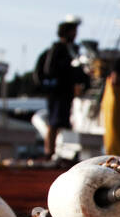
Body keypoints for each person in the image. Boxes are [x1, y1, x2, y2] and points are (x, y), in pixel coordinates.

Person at [38, 16, 88, 160]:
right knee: (55, 122)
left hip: (65, 92)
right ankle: (50, 152)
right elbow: (51, 69)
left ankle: (61, 152)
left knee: (63, 121)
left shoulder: (71, 49)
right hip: (58, 92)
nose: (76, 34)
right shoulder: (59, 48)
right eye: (73, 31)